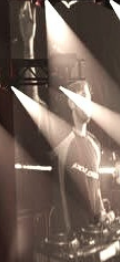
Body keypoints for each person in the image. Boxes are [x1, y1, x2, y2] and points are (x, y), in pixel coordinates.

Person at [53, 79, 111, 235]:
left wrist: (103, 214)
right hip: (70, 237)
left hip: (93, 234)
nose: (89, 103)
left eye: (90, 99)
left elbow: (96, 188)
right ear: (71, 103)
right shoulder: (60, 138)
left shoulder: (95, 144)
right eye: (83, 96)